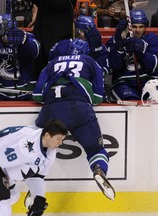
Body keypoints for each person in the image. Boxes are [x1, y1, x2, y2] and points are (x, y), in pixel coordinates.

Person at [32, 38, 116, 201]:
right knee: (95, 150)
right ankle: (99, 170)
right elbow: (98, 98)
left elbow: (37, 95)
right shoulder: (90, 61)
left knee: (39, 148)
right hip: (78, 109)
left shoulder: (52, 63)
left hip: (50, 109)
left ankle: (35, 179)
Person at [0, 119, 68, 216]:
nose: (60, 143)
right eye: (58, 139)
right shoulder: (25, 147)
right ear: (47, 135)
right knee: (1, 210)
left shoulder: (49, 151)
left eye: (62, 139)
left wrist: (38, 198)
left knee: (12, 195)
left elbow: (37, 176)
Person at [105, 9, 158, 101]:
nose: (137, 30)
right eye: (134, 26)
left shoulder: (153, 39)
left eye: (141, 27)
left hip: (150, 82)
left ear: (145, 28)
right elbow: (114, 66)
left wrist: (142, 53)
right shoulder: (115, 40)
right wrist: (119, 46)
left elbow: (154, 67)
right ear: (128, 26)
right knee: (131, 101)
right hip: (123, 83)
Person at [0, 13, 39, 101]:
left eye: (9, 32)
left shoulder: (26, 36)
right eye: (2, 32)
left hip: (26, 89)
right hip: (0, 91)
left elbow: (35, 53)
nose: (6, 36)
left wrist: (25, 41)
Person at [30, 0, 77, 80]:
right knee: (38, 72)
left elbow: (59, 4)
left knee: (56, 74)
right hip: (41, 31)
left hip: (58, 34)